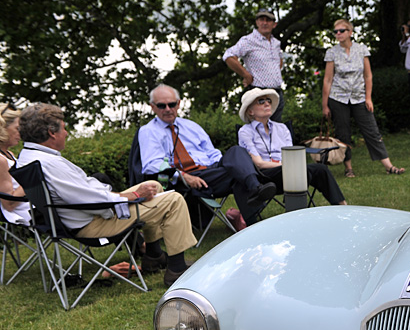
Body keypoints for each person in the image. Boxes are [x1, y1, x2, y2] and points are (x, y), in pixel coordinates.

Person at [17, 104, 196, 284]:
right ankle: (177, 269)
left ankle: (154, 256)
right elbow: (91, 199)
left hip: (77, 217)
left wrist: (123, 195)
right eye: (64, 128)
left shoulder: (29, 156)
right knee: (174, 200)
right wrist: (132, 195)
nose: (67, 133)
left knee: (153, 186)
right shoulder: (49, 163)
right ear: (51, 132)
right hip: (92, 223)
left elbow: (85, 191)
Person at [139, 84, 277, 226]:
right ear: (152, 106)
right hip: (187, 177)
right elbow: (151, 165)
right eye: (162, 106)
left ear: (179, 104)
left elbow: (212, 152)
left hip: (211, 171)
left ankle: (254, 190)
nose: (168, 109)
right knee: (237, 174)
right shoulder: (148, 131)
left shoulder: (191, 126)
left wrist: (226, 164)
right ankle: (252, 218)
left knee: (236, 151)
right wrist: (183, 176)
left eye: (172, 104)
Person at [321, 18, 406, 177]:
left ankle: (389, 166)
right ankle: (348, 168)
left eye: (341, 31)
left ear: (350, 32)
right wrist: (325, 105)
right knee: (343, 134)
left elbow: (368, 76)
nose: (338, 34)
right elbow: (327, 79)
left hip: (359, 97)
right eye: (336, 31)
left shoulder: (361, 49)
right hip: (338, 98)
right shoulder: (331, 52)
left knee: (372, 131)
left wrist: (368, 98)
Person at [237, 88, 346, 207]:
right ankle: (296, 207)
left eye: (268, 100)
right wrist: (287, 166)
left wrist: (289, 166)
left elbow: (291, 156)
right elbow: (259, 163)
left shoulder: (282, 128)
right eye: (261, 101)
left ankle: (342, 206)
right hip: (265, 176)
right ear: (250, 111)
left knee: (321, 169)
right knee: (299, 171)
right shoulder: (245, 132)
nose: (267, 103)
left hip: (290, 169)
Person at [223, 9, 285, 122]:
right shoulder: (248, 40)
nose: (265, 23)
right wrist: (246, 75)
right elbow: (229, 56)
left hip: (276, 93)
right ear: (257, 22)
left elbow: (279, 63)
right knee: (259, 131)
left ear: (274, 24)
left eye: (268, 20)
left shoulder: (276, 43)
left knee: (276, 131)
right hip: (259, 93)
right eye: (261, 20)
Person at [0, 106, 30, 226]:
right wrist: (31, 180)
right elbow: (9, 204)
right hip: (25, 211)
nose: (20, 134)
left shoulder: (9, 155)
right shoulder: (1, 160)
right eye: (17, 129)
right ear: (3, 129)